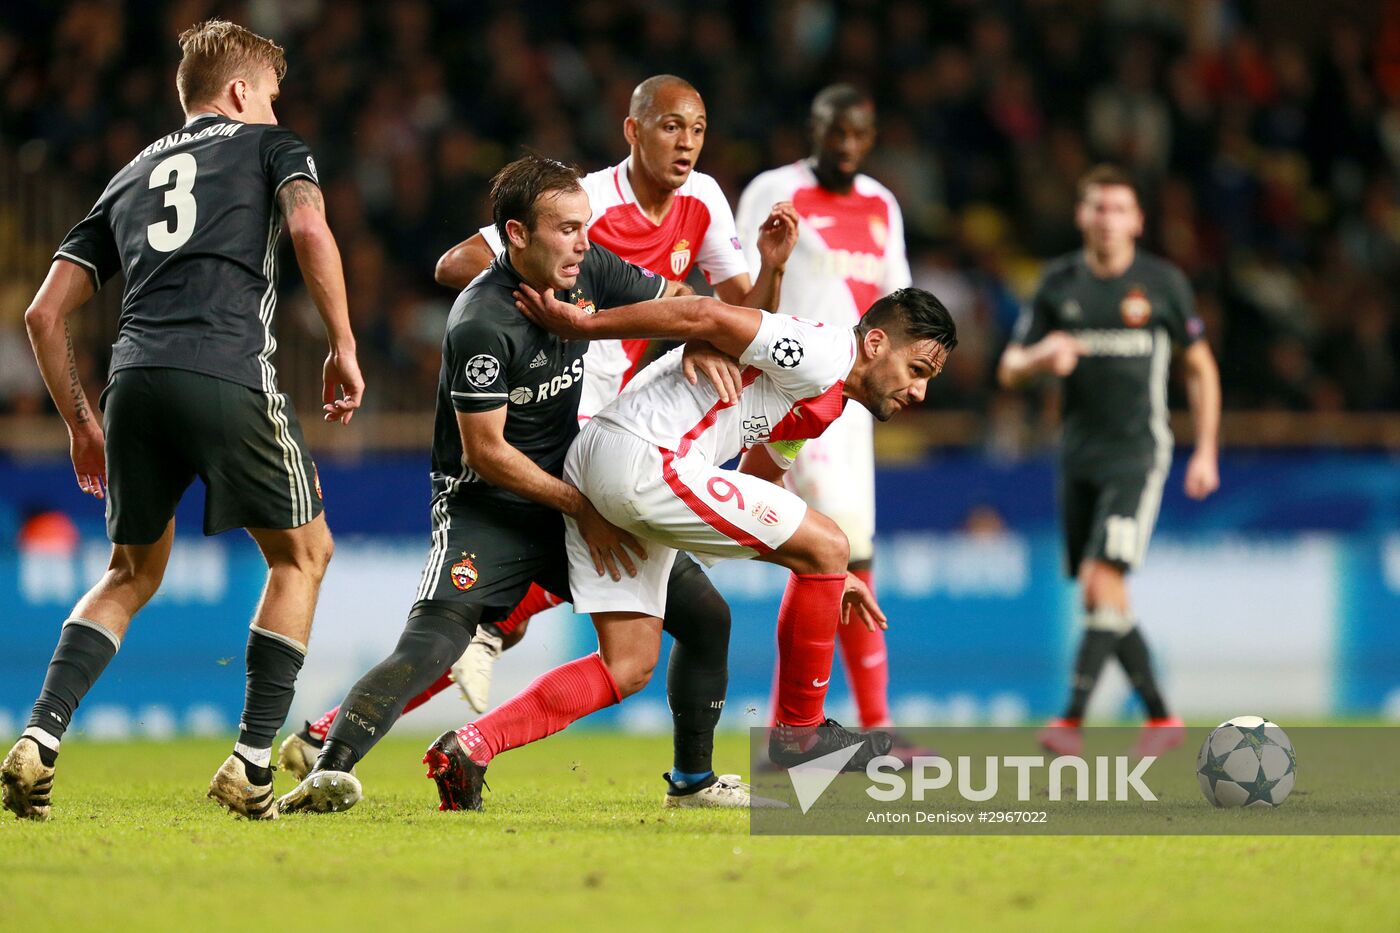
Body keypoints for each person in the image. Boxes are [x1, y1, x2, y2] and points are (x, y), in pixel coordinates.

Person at [278, 155, 764, 815]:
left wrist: (702, 338)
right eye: (565, 229)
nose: (584, 242)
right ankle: (327, 768)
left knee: (705, 616)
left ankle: (693, 781)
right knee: (432, 643)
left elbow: (680, 301)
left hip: (570, 491)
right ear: (514, 234)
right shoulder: (481, 321)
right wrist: (582, 508)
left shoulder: (586, 271)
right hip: (488, 506)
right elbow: (487, 452)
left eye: (584, 227)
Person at [1, 20, 363, 822]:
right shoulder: (276, 148)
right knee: (305, 552)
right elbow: (309, 228)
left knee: (129, 572)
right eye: (270, 95)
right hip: (227, 368)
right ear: (239, 93)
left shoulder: (129, 174)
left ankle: (38, 737)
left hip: (132, 382)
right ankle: (251, 762)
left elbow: (42, 312)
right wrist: (341, 341)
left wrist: (80, 422)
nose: (276, 108)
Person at [421, 284, 957, 812]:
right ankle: (801, 737)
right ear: (876, 343)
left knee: (628, 664)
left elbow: (761, 489)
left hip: (609, 462)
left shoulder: (823, 403)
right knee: (830, 543)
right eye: (918, 371)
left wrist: (824, 572)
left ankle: (471, 748)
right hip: (646, 458)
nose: (919, 393)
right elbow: (704, 311)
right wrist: (582, 324)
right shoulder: (820, 351)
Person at [427, 74, 797, 712]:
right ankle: (490, 629)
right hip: (565, 407)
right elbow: (454, 265)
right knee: (663, 603)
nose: (686, 144)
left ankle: (345, 720)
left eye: (698, 130)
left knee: (664, 602)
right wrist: (563, 298)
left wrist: (772, 269)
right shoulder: (586, 201)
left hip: (623, 416)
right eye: (670, 126)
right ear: (633, 130)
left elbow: (740, 320)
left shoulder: (703, 198)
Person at [997, 164, 1221, 758]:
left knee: (1104, 580)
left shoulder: (1163, 284)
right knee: (1100, 598)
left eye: (1119, 209)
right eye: (1097, 207)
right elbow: (1009, 366)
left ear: (1138, 220)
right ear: (1081, 216)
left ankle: (1069, 720)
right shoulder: (1059, 283)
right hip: (1076, 457)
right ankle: (1162, 718)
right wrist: (1042, 354)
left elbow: (1199, 368)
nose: (1107, 219)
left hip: (1138, 454)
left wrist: (1206, 449)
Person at [736, 84, 910, 737]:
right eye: (835, 132)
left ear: (870, 137)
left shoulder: (880, 204)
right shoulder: (774, 191)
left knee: (836, 557)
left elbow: (896, 299)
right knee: (839, 554)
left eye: (858, 135)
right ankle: (869, 727)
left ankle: (795, 729)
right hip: (795, 392)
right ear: (815, 129)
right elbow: (742, 287)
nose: (845, 145)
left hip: (856, 403)